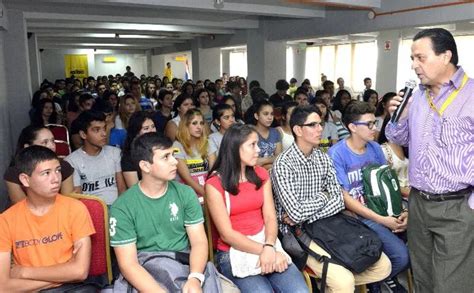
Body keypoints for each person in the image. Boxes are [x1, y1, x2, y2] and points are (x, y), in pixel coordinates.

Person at [386, 28, 474, 293]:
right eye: (413, 59)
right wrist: (399, 116)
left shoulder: (471, 96)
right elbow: (396, 137)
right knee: (423, 279)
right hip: (419, 203)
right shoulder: (417, 97)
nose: (414, 66)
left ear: (446, 56)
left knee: (451, 286)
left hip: (457, 206)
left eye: (420, 58)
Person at [271, 105, 391, 293]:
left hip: (332, 223)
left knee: (383, 265)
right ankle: (336, 282)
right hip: (299, 231)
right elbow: (295, 214)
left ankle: (331, 284)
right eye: (313, 125)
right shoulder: (283, 164)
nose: (320, 129)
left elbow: (338, 200)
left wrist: (312, 206)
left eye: (321, 124)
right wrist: (325, 197)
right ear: (297, 130)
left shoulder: (323, 158)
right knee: (343, 282)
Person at [205, 124, 308, 293]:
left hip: (266, 242)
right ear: (234, 148)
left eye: (257, 144)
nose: (258, 150)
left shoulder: (261, 174)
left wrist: (269, 246)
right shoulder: (214, 184)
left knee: (300, 291)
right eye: (252, 145)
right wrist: (266, 250)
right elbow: (226, 234)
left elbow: (270, 217)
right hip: (234, 252)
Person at [110, 132, 218, 292]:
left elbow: (199, 242)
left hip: (183, 264)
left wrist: (195, 278)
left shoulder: (186, 194)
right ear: (145, 166)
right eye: (166, 157)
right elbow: (129, 264)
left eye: (173, 155)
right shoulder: (122, 207)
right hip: (145, 271)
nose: (175, 162)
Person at [328, 101, 409, 293]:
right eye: (369, 124)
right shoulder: (337, 154)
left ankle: (381, 282)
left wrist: (401, 210)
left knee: (416, 247)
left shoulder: (374, 148)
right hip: (357, 218)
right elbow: (345, 198)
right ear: (353, 127)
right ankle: (377, 283)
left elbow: (388, 182)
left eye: (375, 123)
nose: (375, 128)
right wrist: (382, 220)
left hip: (381, 209)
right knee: (401, 256)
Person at [0, 146, 95, 292]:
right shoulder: (6, 220)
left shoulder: (75, 208)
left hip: (72, 289)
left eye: (57, 170)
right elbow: (4, 286)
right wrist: (59, 277)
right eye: (46, 173)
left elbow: (80, 271)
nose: (56, 179)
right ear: (25, 180)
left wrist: (23, 272)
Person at [65, 110, 126, 206]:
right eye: (96, 130)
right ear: (83, 134)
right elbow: (78, 196)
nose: (104, 134)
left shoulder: (115, 153)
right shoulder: (72, 161)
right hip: (90, 211)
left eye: (104, 128)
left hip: (117, 207)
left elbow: (122, 188)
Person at [4, 125, 74, 204]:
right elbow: (21, 206)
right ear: (27, 147)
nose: (52, 146)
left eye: (52, 141)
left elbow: (67, 202)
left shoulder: (64, 167)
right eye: (45, 142)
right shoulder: (13, 172)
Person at [174, 109, 215, 200]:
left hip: (208, 190)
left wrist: (212, 193)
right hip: (187, 194)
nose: (199, 127)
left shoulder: (208, 143)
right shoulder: (177, 146)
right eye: (194, 123)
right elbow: (187, 179)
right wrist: (208, 195)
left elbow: (213, 171)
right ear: (186, 126)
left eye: (201, 123)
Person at [121, 112, 157, 188]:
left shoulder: (159, 150)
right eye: (146, 128)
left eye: (153, 126)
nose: (151, 131)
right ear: (136, 132)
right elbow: (134, 189)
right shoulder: (128, 157)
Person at [253, 100, 282, 170]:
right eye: (265, 114)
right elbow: (253, 162)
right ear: (256, 116)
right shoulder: (250, 133)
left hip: (273, 172)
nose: (270, 117)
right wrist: (271, 160)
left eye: (271, 114)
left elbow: (279, 158)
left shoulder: (275, 132)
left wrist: (264, 161)